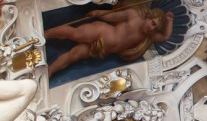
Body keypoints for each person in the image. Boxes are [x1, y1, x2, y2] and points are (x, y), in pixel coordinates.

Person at [45, 5, 174, 76]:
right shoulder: (132, 15)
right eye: (152, 23)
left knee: (74, 55)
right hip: (100, 32)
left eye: (155, 27)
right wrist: (99, 13)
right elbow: (112, 16)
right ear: (148, 16)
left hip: (100, 48)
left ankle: (51, 70)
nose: (152, 28)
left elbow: (165, 37)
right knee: (73, 34)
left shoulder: (147, 37)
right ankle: (46, 34)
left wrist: (169, 21)